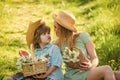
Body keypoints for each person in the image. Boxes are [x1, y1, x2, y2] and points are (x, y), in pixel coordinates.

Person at [52, 10, 120, 80]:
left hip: (89, 72)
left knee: (117, 74)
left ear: (63, 29)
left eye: (55, 27)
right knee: (107, 69)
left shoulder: (82, 36)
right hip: (72, 76)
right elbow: (49, 59)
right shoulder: (57, 44)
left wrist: (91, 66)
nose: (54, 30)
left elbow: (94, 58)